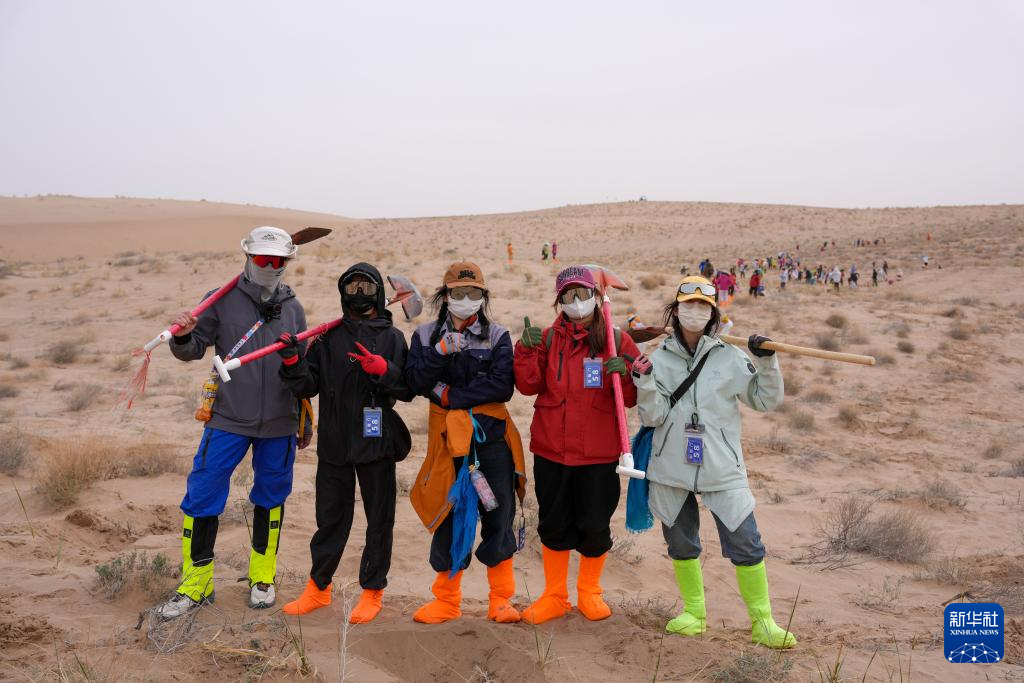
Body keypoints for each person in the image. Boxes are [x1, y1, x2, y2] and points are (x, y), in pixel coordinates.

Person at [632, 275, 796, 649]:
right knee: (681, 543)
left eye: (703, 306)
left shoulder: (731, 356)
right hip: (670, 468)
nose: (695, 311)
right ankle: (694, 614)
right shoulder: (659, 358)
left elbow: (764, 400)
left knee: (746, 542)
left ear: (713, 313)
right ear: (676, 311)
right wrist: (645, 381)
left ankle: (763, 622)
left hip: (722, 469)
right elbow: (653, 416)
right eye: (688, 305)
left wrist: (766, 362)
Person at [157, 227, 308, 619]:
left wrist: (304, 416)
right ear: (248, 257)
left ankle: (263, 578)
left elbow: (302, 370)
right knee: (203, 494)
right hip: (227, 418)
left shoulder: (293, 307)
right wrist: (182, 337)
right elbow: (191, 350)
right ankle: (196, 584)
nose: (271, 266)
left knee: (271, 498)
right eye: (263, 259)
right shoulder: (219, 299)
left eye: (279, 261)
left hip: (279, 422)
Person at [277, 263, 414, 623]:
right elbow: (307, 385)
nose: (359, 294)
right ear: (342, 292)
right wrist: (292, 361)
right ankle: (318, 588)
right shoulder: (327, 337)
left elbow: (407, 388)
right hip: (335, 442)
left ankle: (373, 591)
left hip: (376, 439)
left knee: (379, 519)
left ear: (378, 293)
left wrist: (384, 370)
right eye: (352, 287)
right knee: (330, 518)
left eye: (366, 287)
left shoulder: (392, 338)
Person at [513, 265, 641, 625]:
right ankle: (555, 596)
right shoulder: (547, 339)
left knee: (594, 525)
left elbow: (632, 399)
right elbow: (528, 386)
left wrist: (625, 375)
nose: (576, 302)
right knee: (553, 524)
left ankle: (589, 593)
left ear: (596, 296)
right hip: (552, 450)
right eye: (568, 296)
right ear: (559, 302)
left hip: (599, 454)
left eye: (582, 294)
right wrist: (525, 350)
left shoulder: (617, 340)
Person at [405, 262, 526, 624]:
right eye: (458, 292)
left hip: (491, 439)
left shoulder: (498, 335)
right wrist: (439, 353)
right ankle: (446, 599)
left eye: (474, 293)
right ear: (445, 296)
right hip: (446, 442)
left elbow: (502, 386)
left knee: (498, 514)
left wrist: (450, 396)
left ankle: (500, 600)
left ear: (483, 296)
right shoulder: (425, 336)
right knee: (448, 514)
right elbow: (414, 382)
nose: (466, 299)